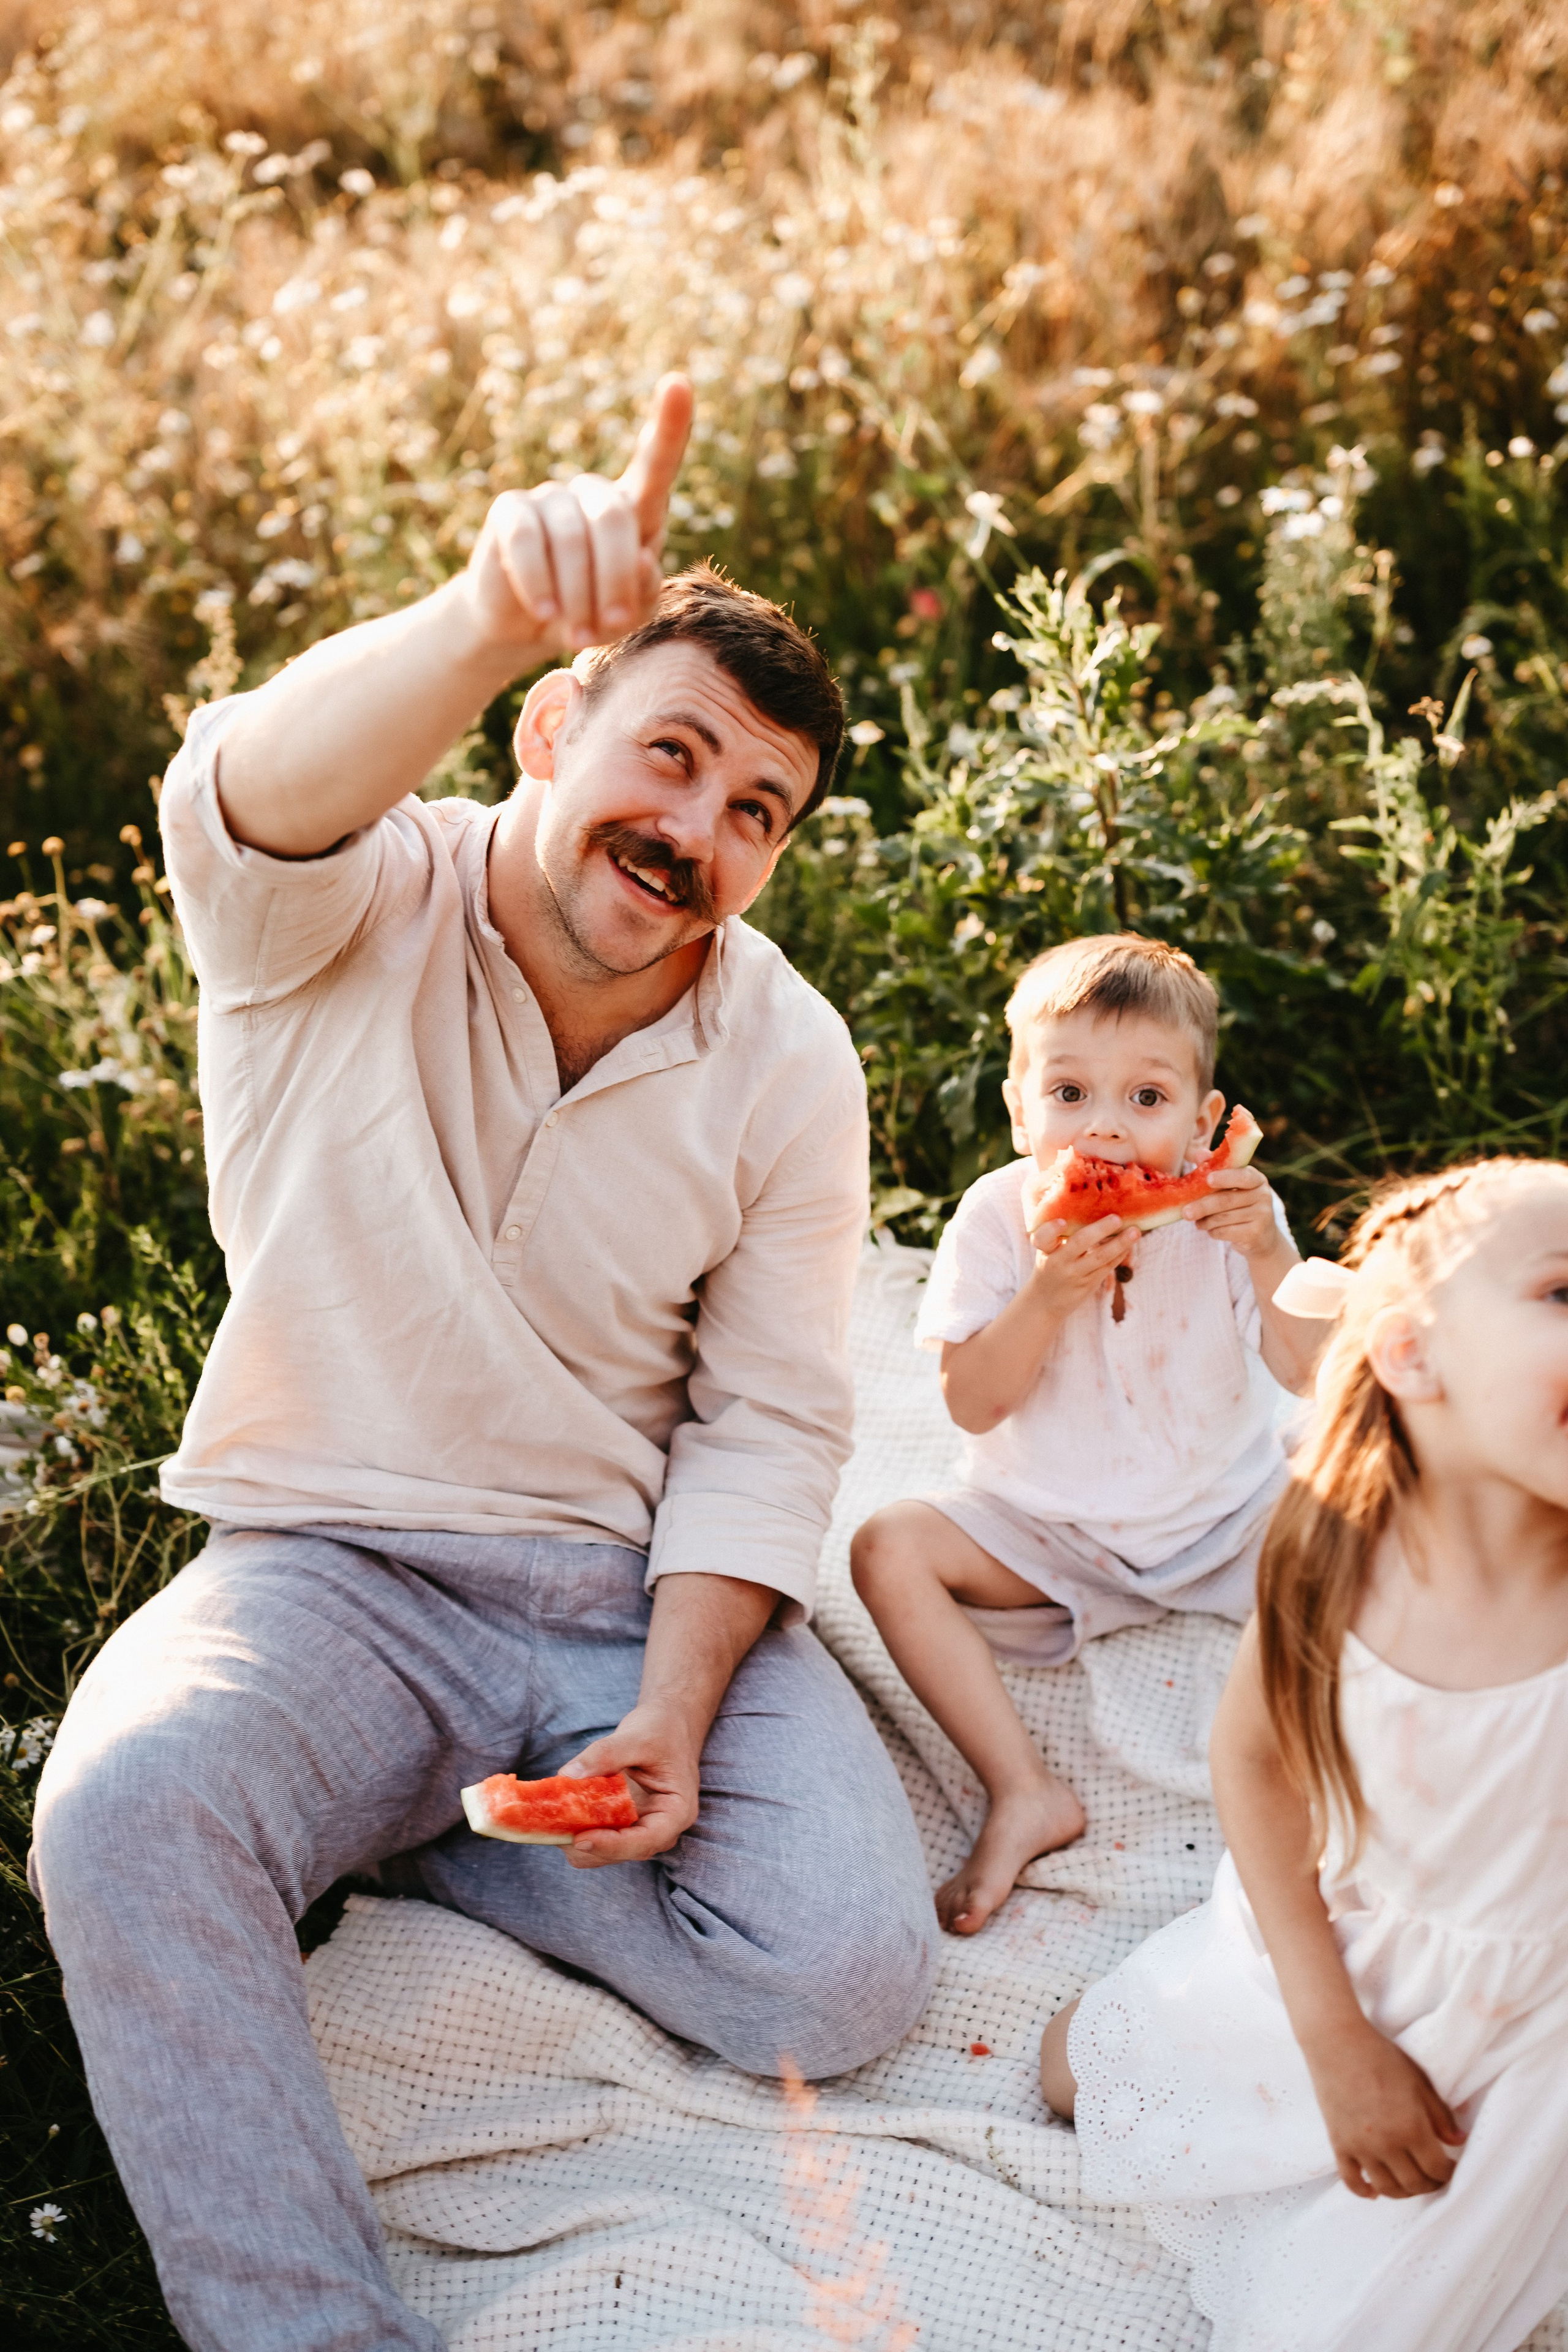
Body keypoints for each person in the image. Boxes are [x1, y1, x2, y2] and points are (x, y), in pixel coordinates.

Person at [28, 377, 937, 2352]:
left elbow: (769, 1417)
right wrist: (483, 608)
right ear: (549, 730)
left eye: (752, 810)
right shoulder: (338, 905)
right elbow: (235, 788)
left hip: (618, 1603)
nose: (693, 830)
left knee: (843, 1977)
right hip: (325, 1570)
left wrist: (682, 1713)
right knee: (124, 1812)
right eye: (668, 756)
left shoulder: (791, 1057)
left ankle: (429, 1824)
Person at [1041, 1156, 1568, 2352]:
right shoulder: (1337, 1550)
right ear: (1409, 1354)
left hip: (1534, 2036)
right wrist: (1332, 2039)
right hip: (1345, 1955)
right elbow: (1254, 1767)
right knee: (1077, 2072)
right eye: (1561, 1292)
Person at [851, 933, 1320, 1934]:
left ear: (1204, 1123)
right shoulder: (989, 1219)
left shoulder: (1234, 1214)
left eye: (1146, 1100)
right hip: (1048, 1534)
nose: (1104, 1134)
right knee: (887, 1547)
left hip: (1233, 1520)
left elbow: (1310, 1373)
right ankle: (1022, 1788)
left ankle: (1344, 1778)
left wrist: (1271, 1249)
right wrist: (1047, 1294)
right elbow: (972, 1403)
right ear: (1020, 1108)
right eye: (1070, 1094)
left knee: (1372, 1520)